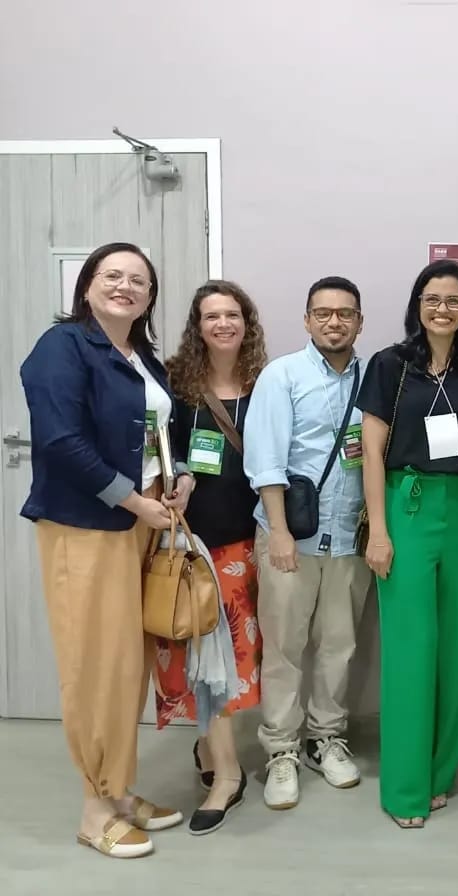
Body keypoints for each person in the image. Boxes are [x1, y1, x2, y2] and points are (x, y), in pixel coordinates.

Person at [20, 242, 190, 858]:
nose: (125, 286)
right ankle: (95, 810)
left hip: (143, 521)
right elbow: (61, 441)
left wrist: (178, 479)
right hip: (88, 525)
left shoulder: (141, 358)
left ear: (149, 297)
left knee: (127, 666)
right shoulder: (62, 346)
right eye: (111, 275)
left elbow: (159, 432)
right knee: (94, 666)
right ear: (87, 285)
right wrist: (134, 501)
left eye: (138, 280)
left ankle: (118, 789)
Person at [358, 259, 458, 829]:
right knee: (412, 649)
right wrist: (379, 531)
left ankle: (439, 773)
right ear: (417, 305)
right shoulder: (390, 365)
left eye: (453, 300)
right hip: (405, 508)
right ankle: (405, 788)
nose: (442, 309)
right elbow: (371, 453)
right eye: (432, 299)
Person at [243, 277, 371, 810]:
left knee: (339, 646)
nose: (334, 322)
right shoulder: (283, 375)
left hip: (349, 539)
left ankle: (326, 738)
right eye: (323, 313)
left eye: (344, 313)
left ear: (359, 321)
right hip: (290, 537)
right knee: (285, 648)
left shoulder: (374, 378)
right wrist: (278, 532)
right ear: (306, 320)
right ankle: (281, 749)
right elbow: (266, 460)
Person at [156, 280, 268, 834]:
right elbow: (164, 451)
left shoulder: (265, 383)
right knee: (205, 658)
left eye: (232, 315)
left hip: (251, 542)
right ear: (197, 327)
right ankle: (228, 774)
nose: (223, 324)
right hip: (194, 546)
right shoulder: (176, 383)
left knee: (233, 660)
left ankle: (210, 747)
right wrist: (179, 478)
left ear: (247, 323)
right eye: (211, 316)